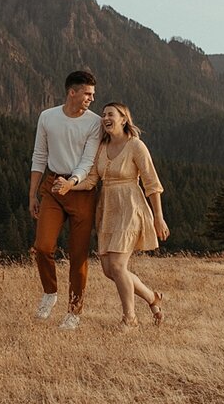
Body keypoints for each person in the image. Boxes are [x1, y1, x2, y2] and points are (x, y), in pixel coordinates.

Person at [30, 70, 103, 330]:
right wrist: (33, 194)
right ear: (72, 92)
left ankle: (74, 311)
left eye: (93, 94)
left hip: (80, 191)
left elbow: (88, 160)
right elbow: (39, 155)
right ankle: (50, 293)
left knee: (78, 255)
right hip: (52, 187)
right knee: (43, 247)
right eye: (87, 93)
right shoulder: (47, 117)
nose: (92, 99)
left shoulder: (95, 123)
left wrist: (71, 182)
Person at [90, 102, 170, 331]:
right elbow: (92, 179)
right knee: (109, 270)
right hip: (107, 210)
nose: (105, 118)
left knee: (117, 265)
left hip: (130, 207)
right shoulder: (101, 147)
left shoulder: (136, 146)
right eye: (103, 114)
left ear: (124, 119)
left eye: (110, 114)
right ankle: (152, 298)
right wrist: (69, 186)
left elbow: (152, 184)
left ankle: (130, 319)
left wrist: (158, 217)